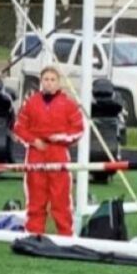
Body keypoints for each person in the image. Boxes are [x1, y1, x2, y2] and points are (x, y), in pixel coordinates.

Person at [13, 65, 84, 236]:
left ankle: (66, 236)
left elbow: (78, 130)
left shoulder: (68, 104)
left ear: (59, 82)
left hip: (58, 155)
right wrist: (34, 141)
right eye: (46, 79)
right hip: (35, 154)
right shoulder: (31, 103)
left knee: (61, 200)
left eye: (53, 80)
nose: (49, 83)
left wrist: (59, 138)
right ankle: (33, 235)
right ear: (41, 82)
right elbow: (19, 128)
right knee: (36, 199)